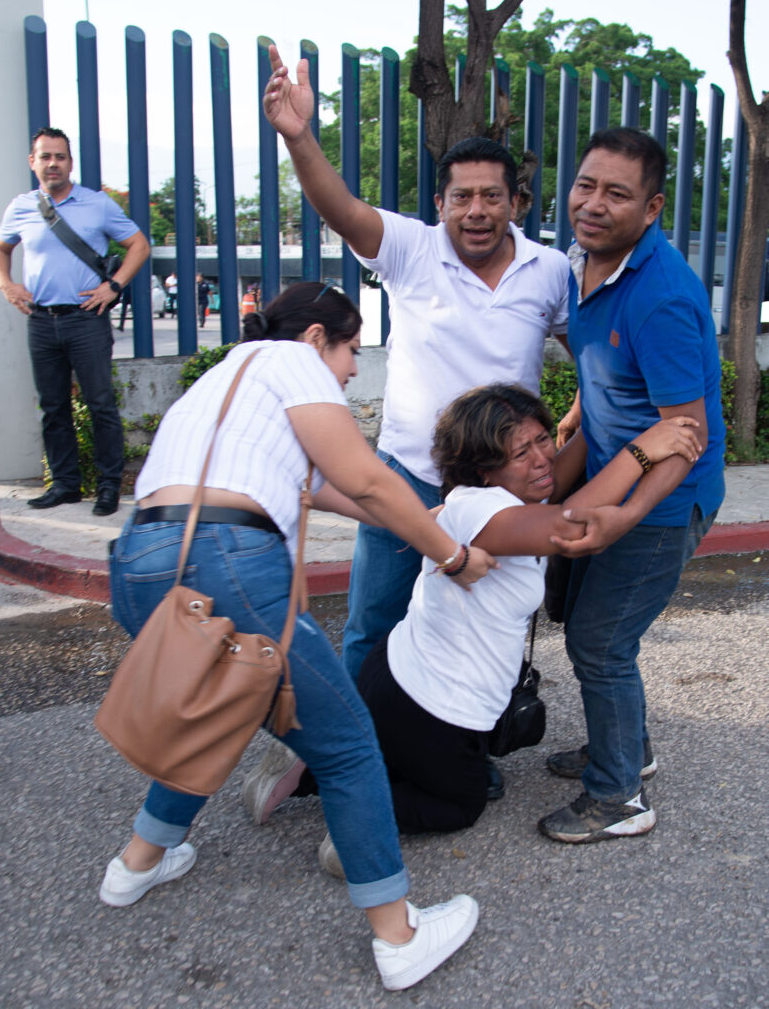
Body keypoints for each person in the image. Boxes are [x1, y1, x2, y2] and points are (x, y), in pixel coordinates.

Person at [100, 281, 496, 991]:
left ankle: (137, 864)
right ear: (317, 337)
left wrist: (430, 516)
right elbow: (367, 480)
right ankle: (398, 935)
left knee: (216, 710)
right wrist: (453, 554)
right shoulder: (292, 364)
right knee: (345, 745)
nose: (350, 369)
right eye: (350, 350)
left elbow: (332, 491)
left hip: (138, 562)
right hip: (225, 562)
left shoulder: (223, 378)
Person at [254, 385, 701, 854]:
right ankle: (355, 815)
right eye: (520, 452)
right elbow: (571, 523)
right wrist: (642, 450)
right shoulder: (481, 511)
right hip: (430, 707)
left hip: (400, 679)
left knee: (405, 764)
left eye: (543, 440)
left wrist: (596, 416)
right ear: (485, 469)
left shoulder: (489, 498)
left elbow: (559, 477)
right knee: (461, 805)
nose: (541, 460)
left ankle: (315, 765)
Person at [262, 44, 572, 686]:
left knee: (484, 624)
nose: (477, 211)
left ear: (516, 201)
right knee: (373, 623)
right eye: (462, 198)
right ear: (441, 204)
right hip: (408, 477)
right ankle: (352, 757)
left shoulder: (551, 271)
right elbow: (340, 208)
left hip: (498, 488)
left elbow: (595, 361)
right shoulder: (411, 249)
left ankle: (468, 746)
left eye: (492, 197)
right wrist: (299, 137)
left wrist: (567, 427)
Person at [537, 128, 726, 844]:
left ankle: (617, 797)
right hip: (614, 472)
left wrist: (627, 517)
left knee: (600, 643)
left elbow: (687, 433)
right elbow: (595, 352)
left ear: (650, 210)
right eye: (586, 185)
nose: (593, 204)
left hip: (663, 500)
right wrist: (586, 404)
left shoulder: (663, 298)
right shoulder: (583, 265)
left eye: (617, 194)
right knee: (587, 621)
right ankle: (628, 750)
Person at [0, 127, 150, 516]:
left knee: (100, 405)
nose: (53, 164)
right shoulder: (21, 206)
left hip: (86, 319)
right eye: (45, 157)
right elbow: (1, 248)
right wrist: (7, 285)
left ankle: (108, 487)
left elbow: (139, 245)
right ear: (33, 162)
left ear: (70, 163)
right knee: (53, 407)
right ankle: (64, 486)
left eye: (60, 157)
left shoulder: (97, 204)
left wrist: (114, 286)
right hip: (42, 321)